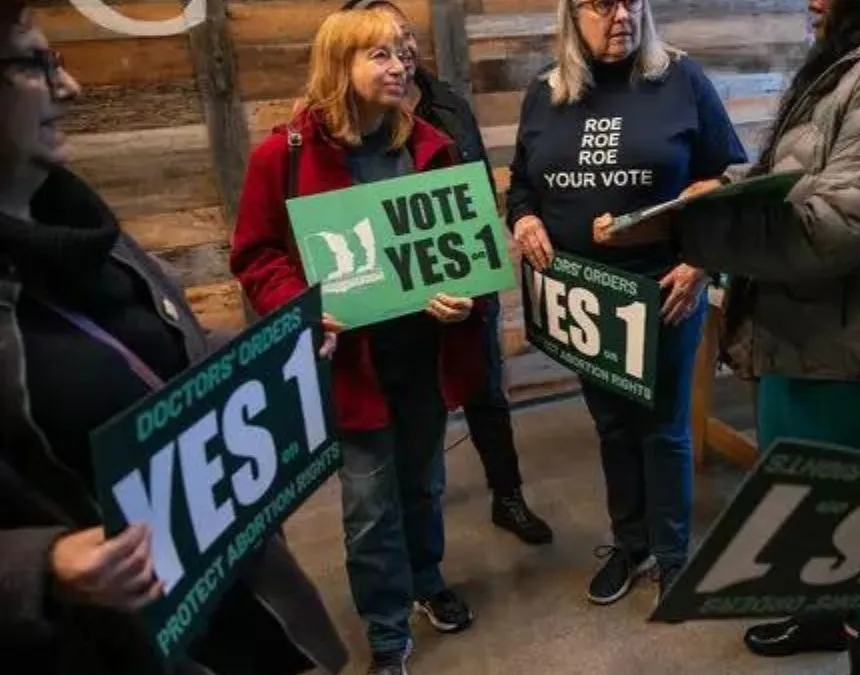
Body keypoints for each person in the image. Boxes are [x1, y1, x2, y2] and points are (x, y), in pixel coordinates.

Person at [596, 0, 860, 672]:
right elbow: (801, 169)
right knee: (807, 509)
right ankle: (820, 618)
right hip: (815, 331)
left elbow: (834, 226)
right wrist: (721, 190)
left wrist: (688, 230)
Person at [0, 4, 348, 674]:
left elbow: (169, 359)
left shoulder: (84, 229)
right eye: (35, 64)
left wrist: (273, 350)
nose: (69, 88)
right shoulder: (284, 153)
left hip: (232, 607)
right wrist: (39, 566)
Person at [231, 9, 479, 675]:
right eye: (380, 55)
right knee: (369, 506)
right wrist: (302, 306)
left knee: (424, 483)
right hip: (351, 368)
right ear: (339, 65)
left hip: (422, 355)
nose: (400, 66)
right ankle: (387, 629)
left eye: (403, 52)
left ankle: (426, 580)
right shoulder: (282, 155)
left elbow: (457, 249)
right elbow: (255, 255)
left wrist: (462, 297)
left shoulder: (430, 145)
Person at [506, 0, 746, 605]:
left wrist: (700, 262)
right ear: (572, 14)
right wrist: (524, 218)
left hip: (663, 290)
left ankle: (673, 557)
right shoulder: (545, 92)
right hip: (583, 296)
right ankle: (630, 544)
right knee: (612, 427)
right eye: (602, 4)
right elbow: (523, 183)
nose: (621, 15)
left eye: (632, 1)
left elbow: (728, 178)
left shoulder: (682, 80)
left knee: (663, 428)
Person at [340, 0, 554, 546]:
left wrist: (480, 266)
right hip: (394, 292)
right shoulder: (345, 123)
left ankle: (508, 495)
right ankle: (406, 524)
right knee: (406, 419)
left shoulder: (449, 105)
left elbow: (477, 187)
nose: (403, 50)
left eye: (406, 36)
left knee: (486, 389)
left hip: (461, 275)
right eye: (385, 43)